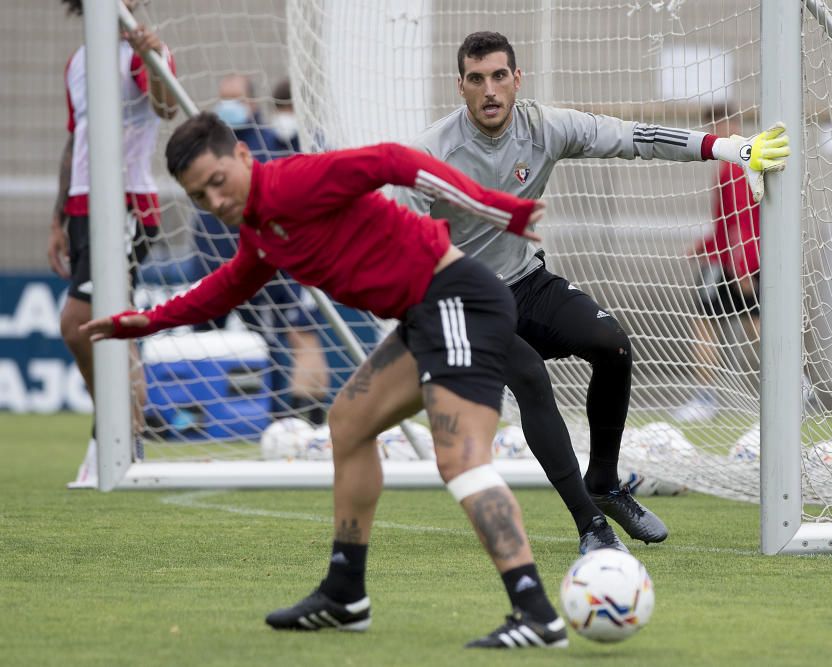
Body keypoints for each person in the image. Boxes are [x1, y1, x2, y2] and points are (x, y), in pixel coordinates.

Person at [80, 112, 568, 649]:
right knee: (349, 422)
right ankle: (344, 594)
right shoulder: (261, 231)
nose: (214, 201)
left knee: (461, 462)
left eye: (217, 182)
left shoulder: (291, 182)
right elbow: (224, 289)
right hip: (423, 315)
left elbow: (392, 161)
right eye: (200, 197)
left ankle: (536, 612)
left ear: (242, 156)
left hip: (458, 300)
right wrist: (147, 321)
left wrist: (498, 209)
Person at [393, 32, 789, 549]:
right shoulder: (430, 154)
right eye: (475, 79)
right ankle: (591, 526)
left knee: (613, 344)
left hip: (526, 283)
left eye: (497, 76)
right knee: (531, 378)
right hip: (463, 302)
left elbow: (634, 138)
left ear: (517, 80)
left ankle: (603, 484)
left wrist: (725, 147)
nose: (488, 90)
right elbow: (397, 240)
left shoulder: (546, 126)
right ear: (460, 86)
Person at [49, 0, 177, 487]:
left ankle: (114, 434)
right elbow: (74, 140)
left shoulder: (144, 52)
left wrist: (151, 58)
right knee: (109, 325)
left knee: (76, 321)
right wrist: (57, 219)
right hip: (82, 208)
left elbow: (165, 107)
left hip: (127, 204)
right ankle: (124, 437)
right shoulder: (78, 61)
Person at [189, 73, 329, 425]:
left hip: (276, 262)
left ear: (253, 103)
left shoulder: (273, 145)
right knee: (204, 339)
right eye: (224, 99)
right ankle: (200, 416)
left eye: (235, 99)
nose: (228, 108)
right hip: (215, 261)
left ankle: (299, 419)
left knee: (293, 337)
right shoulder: (208, 149)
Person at [672, 107, 762, 423]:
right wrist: (703, 247)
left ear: (735, 127)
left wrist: (742, 267)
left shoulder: (735, 167)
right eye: (716, 126)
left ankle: (705, 399)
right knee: (745, 324)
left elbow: (742, 223)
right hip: (736, 259)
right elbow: (727, 226)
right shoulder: (729, 165)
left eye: (726, 125)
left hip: (737, 264)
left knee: (726, 324)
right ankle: (797, 387)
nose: (721, 131)